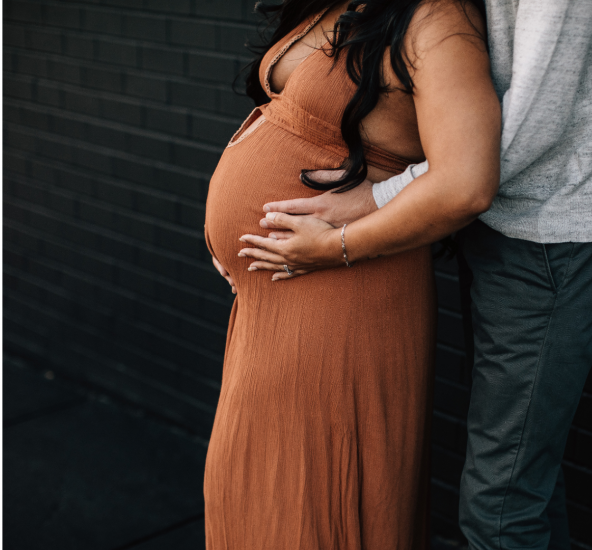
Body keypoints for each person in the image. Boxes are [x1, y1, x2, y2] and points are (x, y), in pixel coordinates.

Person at [234, 1, 592, 548]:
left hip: (552, 230)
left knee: (498, 510)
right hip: (505, 219)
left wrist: (377, 200)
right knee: (523, 475)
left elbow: (528, 126)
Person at [202, 0, 500, 548]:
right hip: (275, 297)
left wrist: (334, 247)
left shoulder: (438, 19)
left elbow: (467, 182)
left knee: (307, 498)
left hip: (345, 290)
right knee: (253, 489)